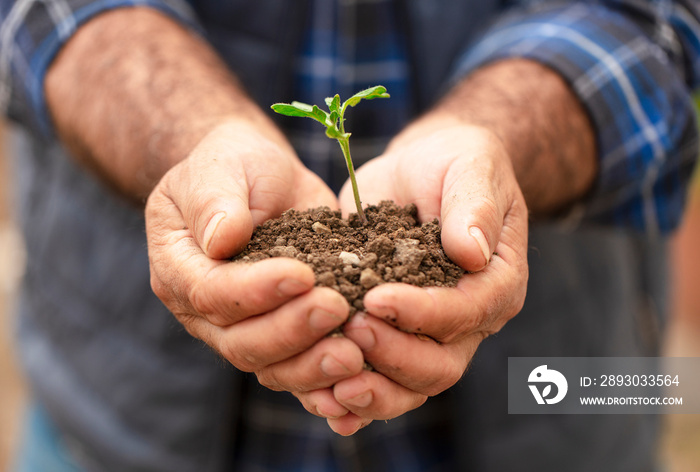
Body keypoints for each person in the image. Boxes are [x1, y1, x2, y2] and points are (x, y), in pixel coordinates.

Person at [1, 0, 698, 470]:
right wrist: (187, 137)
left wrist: (497, 139)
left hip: (561, 414)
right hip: (118, 421)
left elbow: (661, 17)